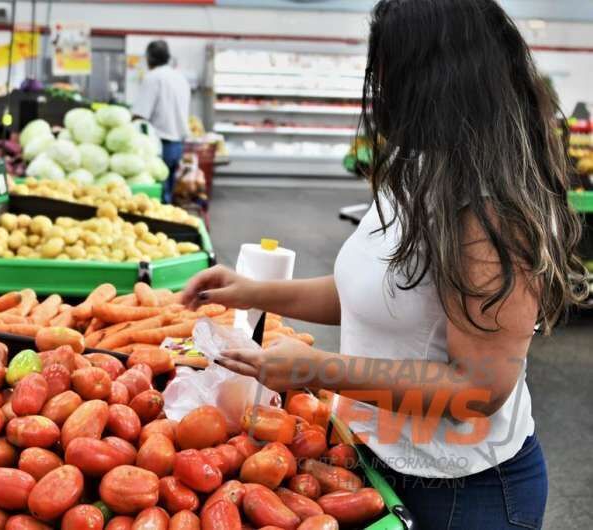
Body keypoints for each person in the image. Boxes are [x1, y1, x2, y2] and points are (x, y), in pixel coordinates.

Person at [181, 1, 588, 528]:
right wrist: (251, 291)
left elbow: (479, 388)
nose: (378, 87)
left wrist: (317, 369)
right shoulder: (416, 165)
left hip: (463, 492)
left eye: (387, 68)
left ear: (433, 77)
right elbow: (377, 294)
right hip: (375, 462)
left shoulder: (492, 210)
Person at [132, 40, 191, 204]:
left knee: (157, 198)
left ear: (149, 58)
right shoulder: (180, 78)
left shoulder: (153, 78)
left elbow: (141, 114)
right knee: (168, 194)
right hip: (178, 144)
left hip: (159, 145)